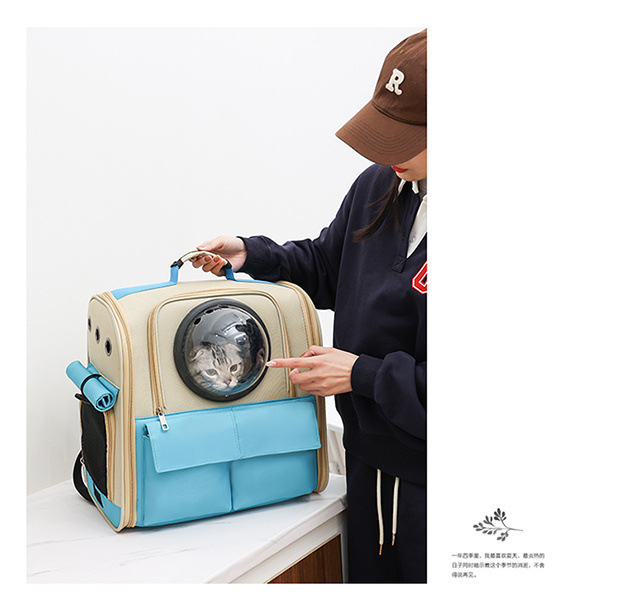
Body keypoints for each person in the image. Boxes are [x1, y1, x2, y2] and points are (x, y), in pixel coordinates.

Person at [192, 30, 427, 583]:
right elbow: (328, 264)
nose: (386, 153)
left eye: (406, 137)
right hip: (370, 466)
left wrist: (361, 374)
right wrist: (252, 254)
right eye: (383, 132)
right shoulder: (379, 186)